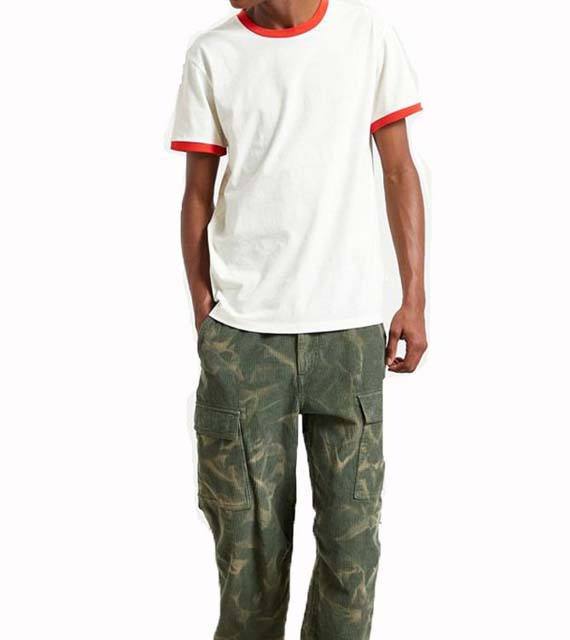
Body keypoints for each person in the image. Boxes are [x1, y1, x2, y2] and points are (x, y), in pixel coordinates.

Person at [171, 1, 427, 637]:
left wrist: (414, 297)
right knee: (248, 560)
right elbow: (197, 193)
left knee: (352, 553)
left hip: (348, 332)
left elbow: (400, 169)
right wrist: (204, 309)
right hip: (244, 339)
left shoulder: (367, 35)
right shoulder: (212, 53)